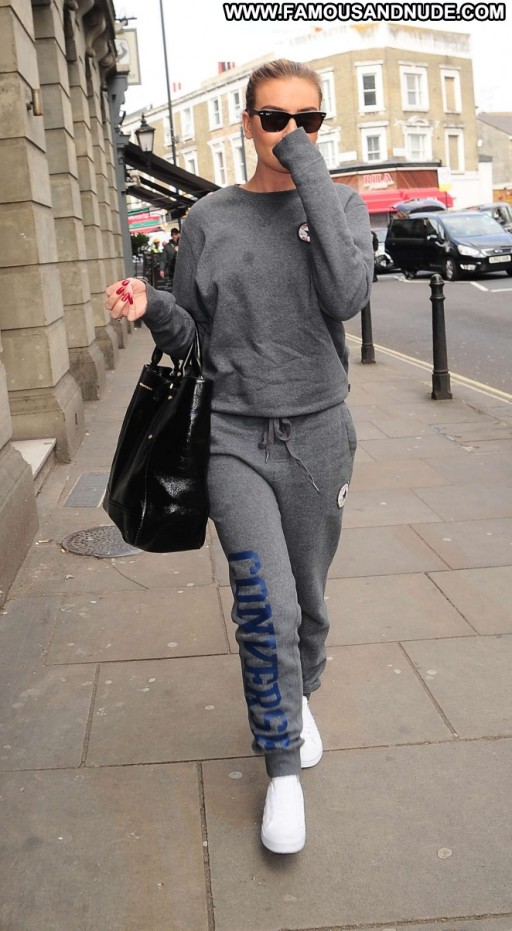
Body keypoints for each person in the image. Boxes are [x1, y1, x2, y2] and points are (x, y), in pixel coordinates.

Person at [106, 58, 373, 855]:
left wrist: (308, 172)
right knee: (267, 606)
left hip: (319, 435)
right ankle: (281, 766)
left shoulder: (342, 205)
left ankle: (302, 689)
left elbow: (347, 295)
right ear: (246, 122)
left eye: (308, 121)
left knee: (310, 602)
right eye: (275, 119)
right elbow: (193, 330)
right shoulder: (210, 219)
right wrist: (153, 306)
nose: (291, 134)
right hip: (231, 437)